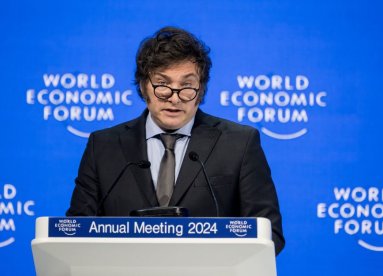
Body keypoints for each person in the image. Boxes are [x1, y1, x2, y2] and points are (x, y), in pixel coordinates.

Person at [66, 26, 285, 255]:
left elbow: (268, 233)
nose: (174, 97)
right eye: (162, 84)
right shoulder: (103, 146)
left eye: (187, 86)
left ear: (201, 91)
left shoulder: (239, 143)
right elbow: (76, 232)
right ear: (143, 86)